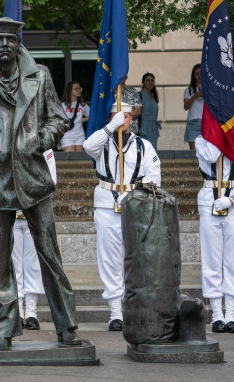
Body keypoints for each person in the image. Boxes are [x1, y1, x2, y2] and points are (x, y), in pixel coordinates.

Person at [0, 17, 81, 349]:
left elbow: (58, 118)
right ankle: (3, 330)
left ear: (18, 43)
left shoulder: (40, 76)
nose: (5, 46)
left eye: (10, 40)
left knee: (50, 254)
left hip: (33, 178)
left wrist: (40, 139)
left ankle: (67, 327)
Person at [83, 101, 161, 331]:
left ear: (132, 119)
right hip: (107, 206)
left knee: (135, 258)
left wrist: (134, 192)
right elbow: (87, 146)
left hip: (134, 206)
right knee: (109, 259)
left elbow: (155, 177)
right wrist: (110, 128)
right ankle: (116, 312)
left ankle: (131, 307)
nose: (122, 120)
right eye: (117, 116)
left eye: (125, 116)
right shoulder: (103, 142)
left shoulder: (144, 146)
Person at [195, 135, 234, 334]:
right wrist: (216, 135)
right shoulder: (202, 141)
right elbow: (212, 156)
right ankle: (216, 315)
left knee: (233, 260)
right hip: (209, 201)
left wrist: (232, 200)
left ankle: (231, 314)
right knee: (212, 260)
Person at [11, 149, 56, 330]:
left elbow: (50, 180)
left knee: (33, 264)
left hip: (34, 211)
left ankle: (31, 311)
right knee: (14, 264)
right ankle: (17, 310)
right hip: (12, 212)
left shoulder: (43, 147)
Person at [59, 82, 89, 151]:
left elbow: (93, 116)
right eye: (76, 89)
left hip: (80, 135)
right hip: (67, 135)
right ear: (70, 91)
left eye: (79, 88)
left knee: (79, 158)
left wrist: (83, 119)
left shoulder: (82, 104)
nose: (79, 90)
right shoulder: (62, 105)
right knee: (70, 159)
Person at [138, 72, 161, 150]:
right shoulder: (139, 95)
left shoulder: (154, 96)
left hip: (153, 131)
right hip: (143, 130)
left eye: (152, 81)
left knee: (153, 154)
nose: (150, 82)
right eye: (148, 80)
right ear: (143, 82)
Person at [183, 64, 204, 150]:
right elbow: (186, 107)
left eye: (201, 73)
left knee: (207, 150)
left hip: (206, 122)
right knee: (193, 153)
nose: (199, 76)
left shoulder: (210, 89)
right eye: (197, 74)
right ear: (194, 76)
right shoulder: (188, 90)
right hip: (193, 122)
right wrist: (194, 97)